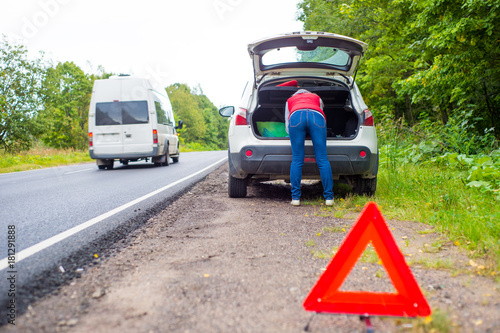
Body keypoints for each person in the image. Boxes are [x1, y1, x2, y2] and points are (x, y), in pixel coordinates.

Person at [281, 82, 334, 206]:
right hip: (317, 116)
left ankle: (295, 199)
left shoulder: (290, 100)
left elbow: (287, 125)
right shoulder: (316, 98)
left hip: (296, 116)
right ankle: (329, 198)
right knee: (322, 159)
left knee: (297, 160)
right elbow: (321, 111)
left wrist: (299, 134)